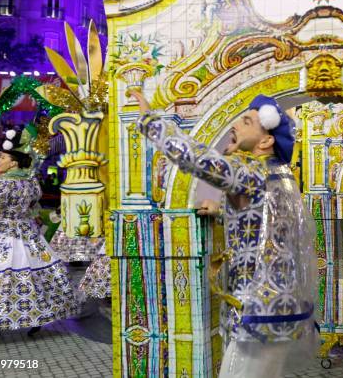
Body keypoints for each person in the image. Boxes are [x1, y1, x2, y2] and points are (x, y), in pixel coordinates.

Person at [131, 91, 318, 378]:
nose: (235, 126)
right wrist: (222, 211)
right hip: (278, 307)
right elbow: (265, 227)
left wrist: (150, 120)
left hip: (260, 312)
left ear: (266, 141)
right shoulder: (279, 177)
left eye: (246, 122)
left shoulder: (251, 172)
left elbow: (196, 159)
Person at [0, 126, 79, 336]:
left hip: (0, 235)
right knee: (34, 276)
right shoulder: (31, 183)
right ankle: (37, 316)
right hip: (28, 235)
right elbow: (33, 210)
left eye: (2, 157)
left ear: (13, 162)